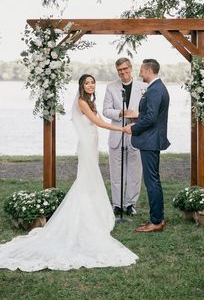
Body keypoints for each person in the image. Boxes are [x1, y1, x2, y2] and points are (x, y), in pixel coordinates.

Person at [0, 74, 138, 271]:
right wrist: (121, 130)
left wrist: (122, 116)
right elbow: (97, 122)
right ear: (82, 86)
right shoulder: (82, 102)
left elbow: (98, 119)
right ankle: (85, 216)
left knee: (91, 178)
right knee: (86, 179)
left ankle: (94, 213)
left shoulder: (90, 101)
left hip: (91, 142)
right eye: (87, 83)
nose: (91, 85)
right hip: (87, 144)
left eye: (92, 82)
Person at [124, 59, 170, 233]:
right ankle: (157, 218)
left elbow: (150, 118)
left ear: (149, 70)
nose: (140, 73)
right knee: (153, 180)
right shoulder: (156, 88)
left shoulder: (155, 90)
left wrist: (133, 128)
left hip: (150, 140)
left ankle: (156, 221)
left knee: (152, 181)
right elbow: (150, 115)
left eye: (142, 70)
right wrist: (138, 117)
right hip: (151, 139)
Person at [103, 58, 147, 216]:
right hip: (117, 134)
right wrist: (120, 113)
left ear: (131, 68)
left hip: (136, 134)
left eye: (125, 69)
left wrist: (137, 116)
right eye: (119, 70)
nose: (123, 72)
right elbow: (106, 110)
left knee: (135, 172)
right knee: (116, 172)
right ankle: (117, 204)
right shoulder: (111, 87)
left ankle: (130, 204)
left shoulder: (143, 87)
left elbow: (148, 111)